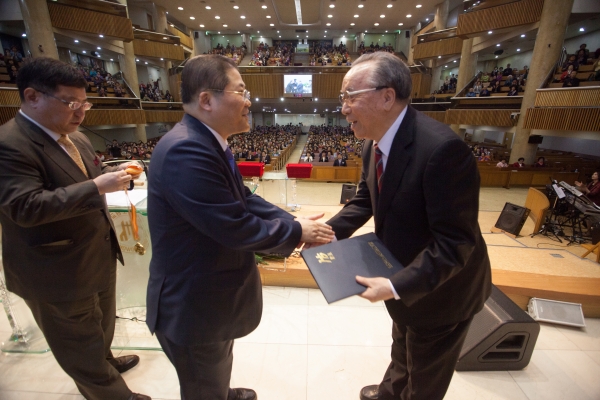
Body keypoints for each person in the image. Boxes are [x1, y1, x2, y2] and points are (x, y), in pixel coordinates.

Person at [145, 55, 335, 400]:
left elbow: (242, 199)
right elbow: (233, 225)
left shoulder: (206, 140)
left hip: (209, 295)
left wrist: (292, 220)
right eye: (241, 91)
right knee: (203, 383)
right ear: (206, 100)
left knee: (214, 367)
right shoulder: (186, 149)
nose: (250, 101)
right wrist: (297, 234)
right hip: (193, 304)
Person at [321, 52, 491, 400]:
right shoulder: (372, 144)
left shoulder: (443, 150)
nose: (344, 108)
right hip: (402, 279)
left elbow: (456, 242)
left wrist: (396, 285)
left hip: (442, 292)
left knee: (424, 379)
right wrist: (327, 233)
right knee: (403, 352)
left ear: (387, 96)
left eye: (351, 96)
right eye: (343, 98)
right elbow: (366, 201)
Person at [0, 57, 149, 400]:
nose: (81, 112)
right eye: (70, 103)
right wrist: (98, 186)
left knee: (100, 324)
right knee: (78, 345)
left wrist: (120, 177)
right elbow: (25, 207)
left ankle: (105, 361)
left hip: (94, 254)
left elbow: (87, 179)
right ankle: (110, 392)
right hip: (54, 270)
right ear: (33, 96)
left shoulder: (76, 138)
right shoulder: (10, 144)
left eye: (84, 103)